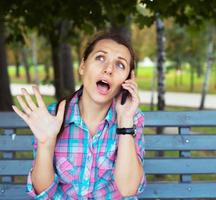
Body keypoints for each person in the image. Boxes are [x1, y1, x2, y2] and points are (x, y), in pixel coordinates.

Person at [12, 31, 146, 200]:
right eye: (100, 58)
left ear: (127, 80)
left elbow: (128, 190)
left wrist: (125, 122)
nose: (109, 69)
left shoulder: (132, 118)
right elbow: (44, 193)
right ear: (82, 66)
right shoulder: (52, 116)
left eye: (120, 65)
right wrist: (45, 144)